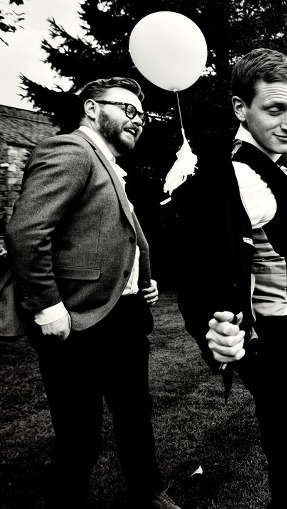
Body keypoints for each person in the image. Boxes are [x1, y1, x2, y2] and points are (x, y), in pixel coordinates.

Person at [5, 77, 180, 509]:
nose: (137, 121)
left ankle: (148, 492)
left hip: (123, 315)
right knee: (79, 433)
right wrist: (48, 306)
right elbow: (28, 233)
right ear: (91, 108)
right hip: (78, 319)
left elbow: (115, 235)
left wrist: (143, 279)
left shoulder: (107, 164)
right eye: (128, 110)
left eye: (142, 115)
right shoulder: (70, 150)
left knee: (135, 415)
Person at [172, 48, 287, 509]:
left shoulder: (279, 161)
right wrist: (214, 328)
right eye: (276, 108)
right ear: (241, 108)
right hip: (282, 346)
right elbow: (200, 265)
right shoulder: (241, 175)